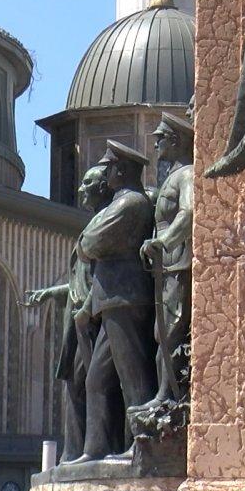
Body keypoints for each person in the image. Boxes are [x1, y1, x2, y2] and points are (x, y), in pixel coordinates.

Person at [67, 140, 158, 463]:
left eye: (109, 170)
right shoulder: (120, 203)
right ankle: (96, 448)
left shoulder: (130, 203)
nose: (106, 178)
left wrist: (86, 241)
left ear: (121, 170)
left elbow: (90, 242)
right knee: (97, 379)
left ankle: (145, 444)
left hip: (125, 298)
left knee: (133, 376)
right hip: (112, 300)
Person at [19, 165, 112, 462]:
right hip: (78, 321)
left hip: (92, 321)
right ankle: (73, 451)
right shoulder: (93, 226)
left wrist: (86, 310)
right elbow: (80, 284)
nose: (81, 189)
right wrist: (49, 294)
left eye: (87, 183)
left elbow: (102, 281)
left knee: (93, 383)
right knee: (74, 384)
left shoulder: (106, 228)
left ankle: (95, 448)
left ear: (103, 188)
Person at [131, 112, 194, 414]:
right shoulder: (173, 175)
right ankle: (165, 394)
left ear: (176, 140)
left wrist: (163, 242)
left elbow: (188, 212)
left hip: (179, 263)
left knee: (170, 332)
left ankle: (169, 396)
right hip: (167, 266)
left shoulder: (187, 175)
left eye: (160, 138)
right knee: (162, 333)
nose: (155, 144)